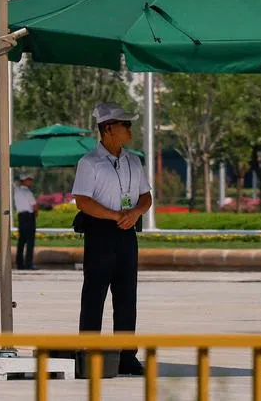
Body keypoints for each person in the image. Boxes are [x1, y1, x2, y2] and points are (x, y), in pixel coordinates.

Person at [71, 101, 153, 377]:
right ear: (108, 129)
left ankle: (127, 356)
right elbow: (82, 200)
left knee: (127, 296)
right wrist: (113, 214)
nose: (130, 129)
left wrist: (136, 212)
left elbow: (146, 195)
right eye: (125, 125)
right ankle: (88, 353)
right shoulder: (89, 163)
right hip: (100, 233)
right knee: (94, 295)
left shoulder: (133, 160)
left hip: (126, 232)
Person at [15, 175, 37, 270]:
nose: (31, 182)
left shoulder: (17, 191)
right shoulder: (27, 192)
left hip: (21, 216)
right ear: (24, 181)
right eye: (29, 180)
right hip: (28, 216)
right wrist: (35, 214)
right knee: (30, 241)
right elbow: (34, 206)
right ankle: (28, 264)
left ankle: (20, 264)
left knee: (21, 241)